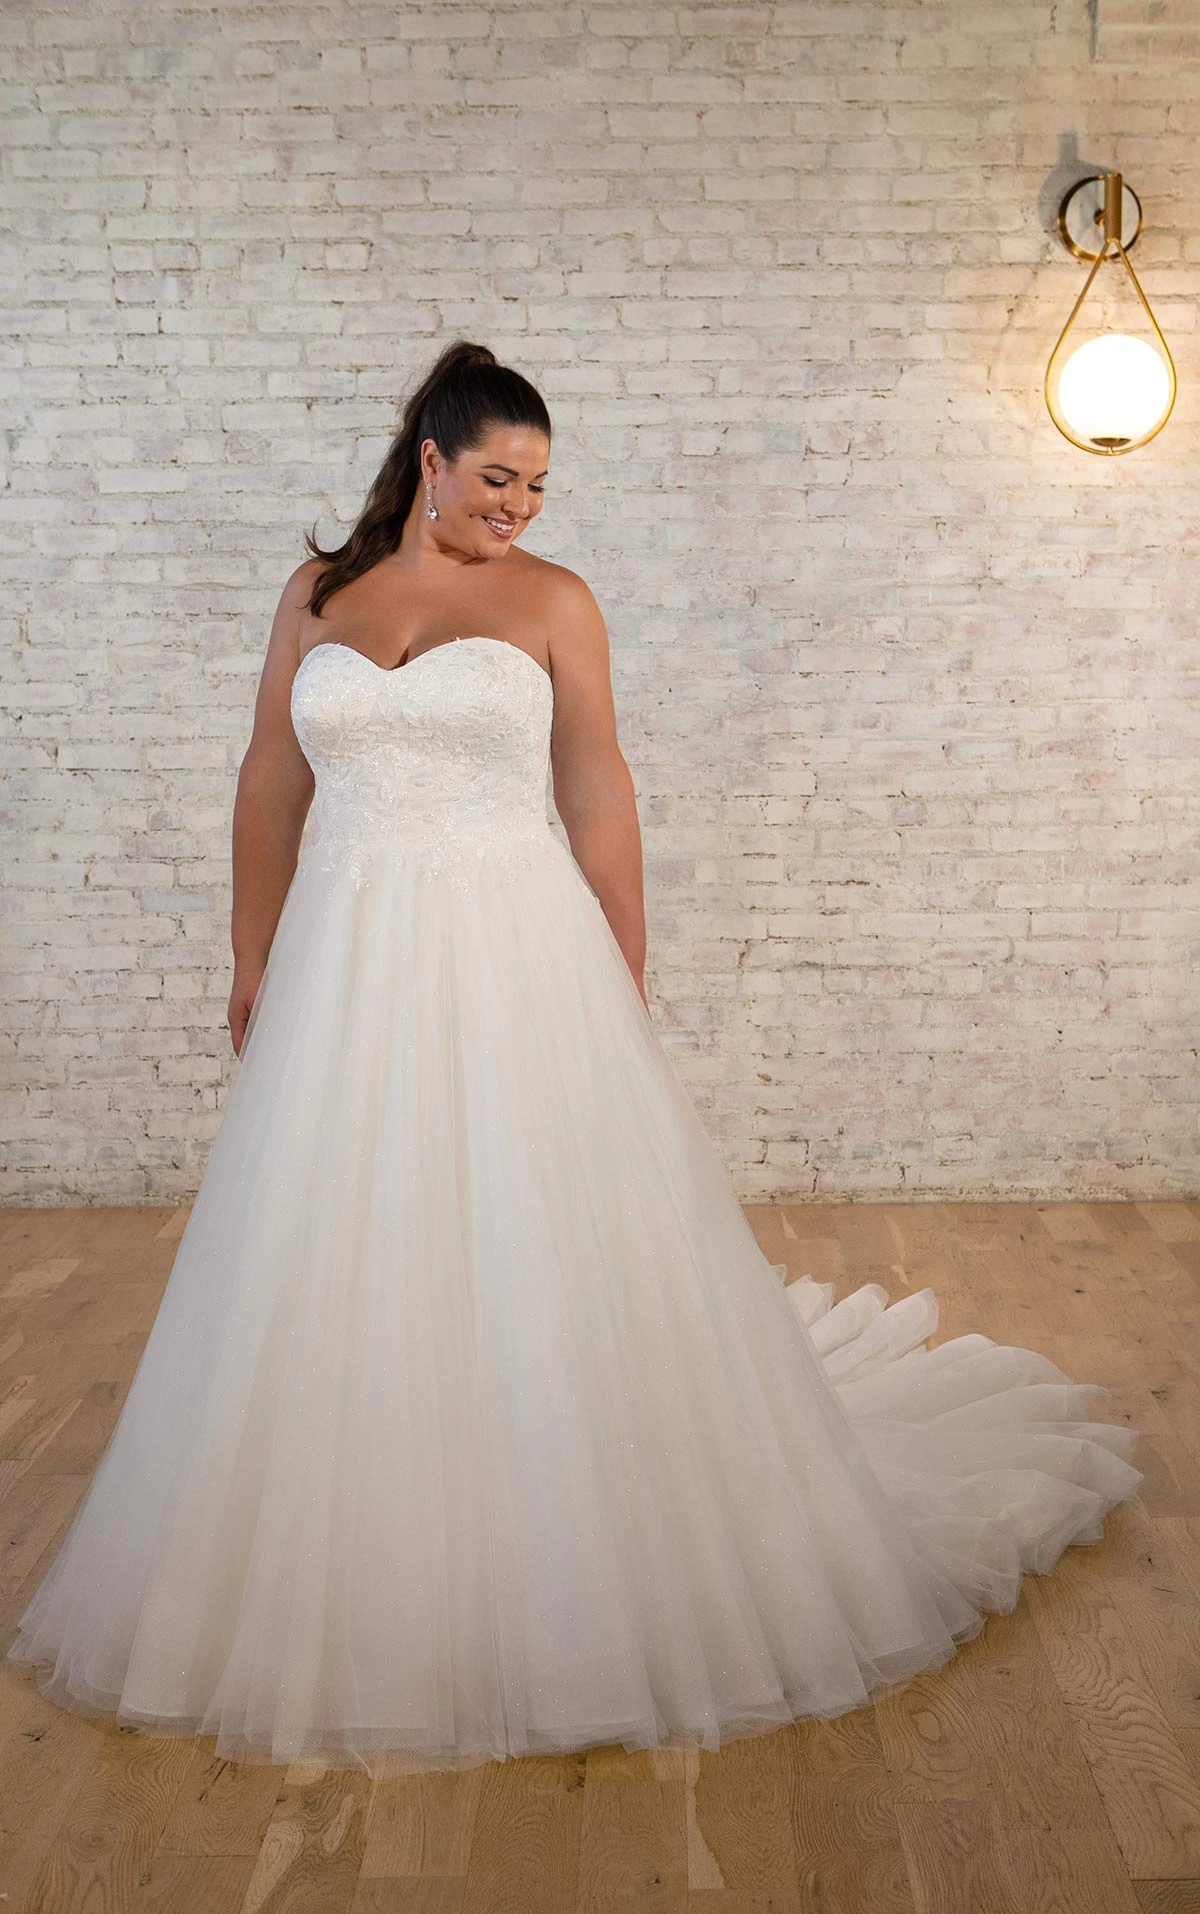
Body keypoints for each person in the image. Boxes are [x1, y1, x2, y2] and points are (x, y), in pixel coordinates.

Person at [5, 340, 1143, 1777]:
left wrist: (624, 965)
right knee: (339, 1229)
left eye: (538, 486)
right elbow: (270, 777)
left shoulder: (554, 602)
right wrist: (249, 949)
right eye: (498, 478)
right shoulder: (318, 595)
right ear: (430, 460)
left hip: (513, 948)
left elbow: (597, 786)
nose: (520, 507)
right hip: (346, 962)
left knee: (529, 1221)